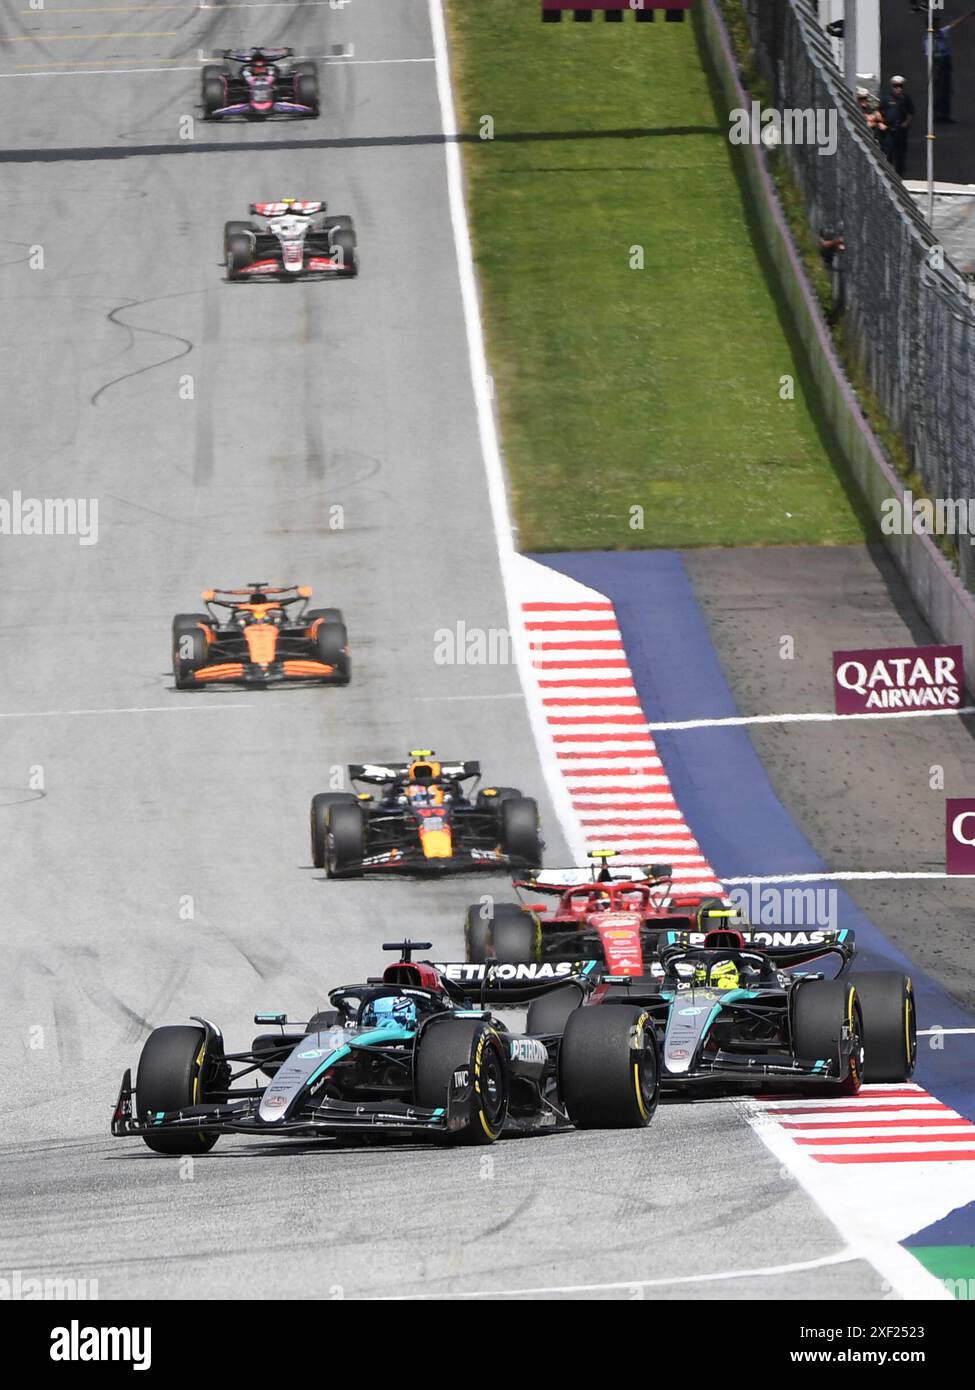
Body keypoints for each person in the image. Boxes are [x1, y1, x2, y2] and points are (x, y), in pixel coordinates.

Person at [925, 11, 975, 123]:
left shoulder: (942, 33)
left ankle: (945, 114)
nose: (938, 26)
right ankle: (936, 115)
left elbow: (954, 24)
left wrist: (966, 15)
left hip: (946, 64)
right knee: (938, 92)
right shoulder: (929, 39)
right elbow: (930, 56)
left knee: (947, 91)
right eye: (936, 24)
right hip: (938, 66)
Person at [880, 76, 915, 175]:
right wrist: (881, 123)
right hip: (889, 131)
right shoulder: (886, 99)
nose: (898, 88)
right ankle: (888, 174)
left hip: (901, 131)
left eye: (900, 86)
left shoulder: (905, 99)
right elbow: (879, 111)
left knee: (900, 155)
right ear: (892, 86)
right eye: (896, 86)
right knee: (888, 154)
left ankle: (899, 176)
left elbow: (911, 112)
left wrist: (907, 122)